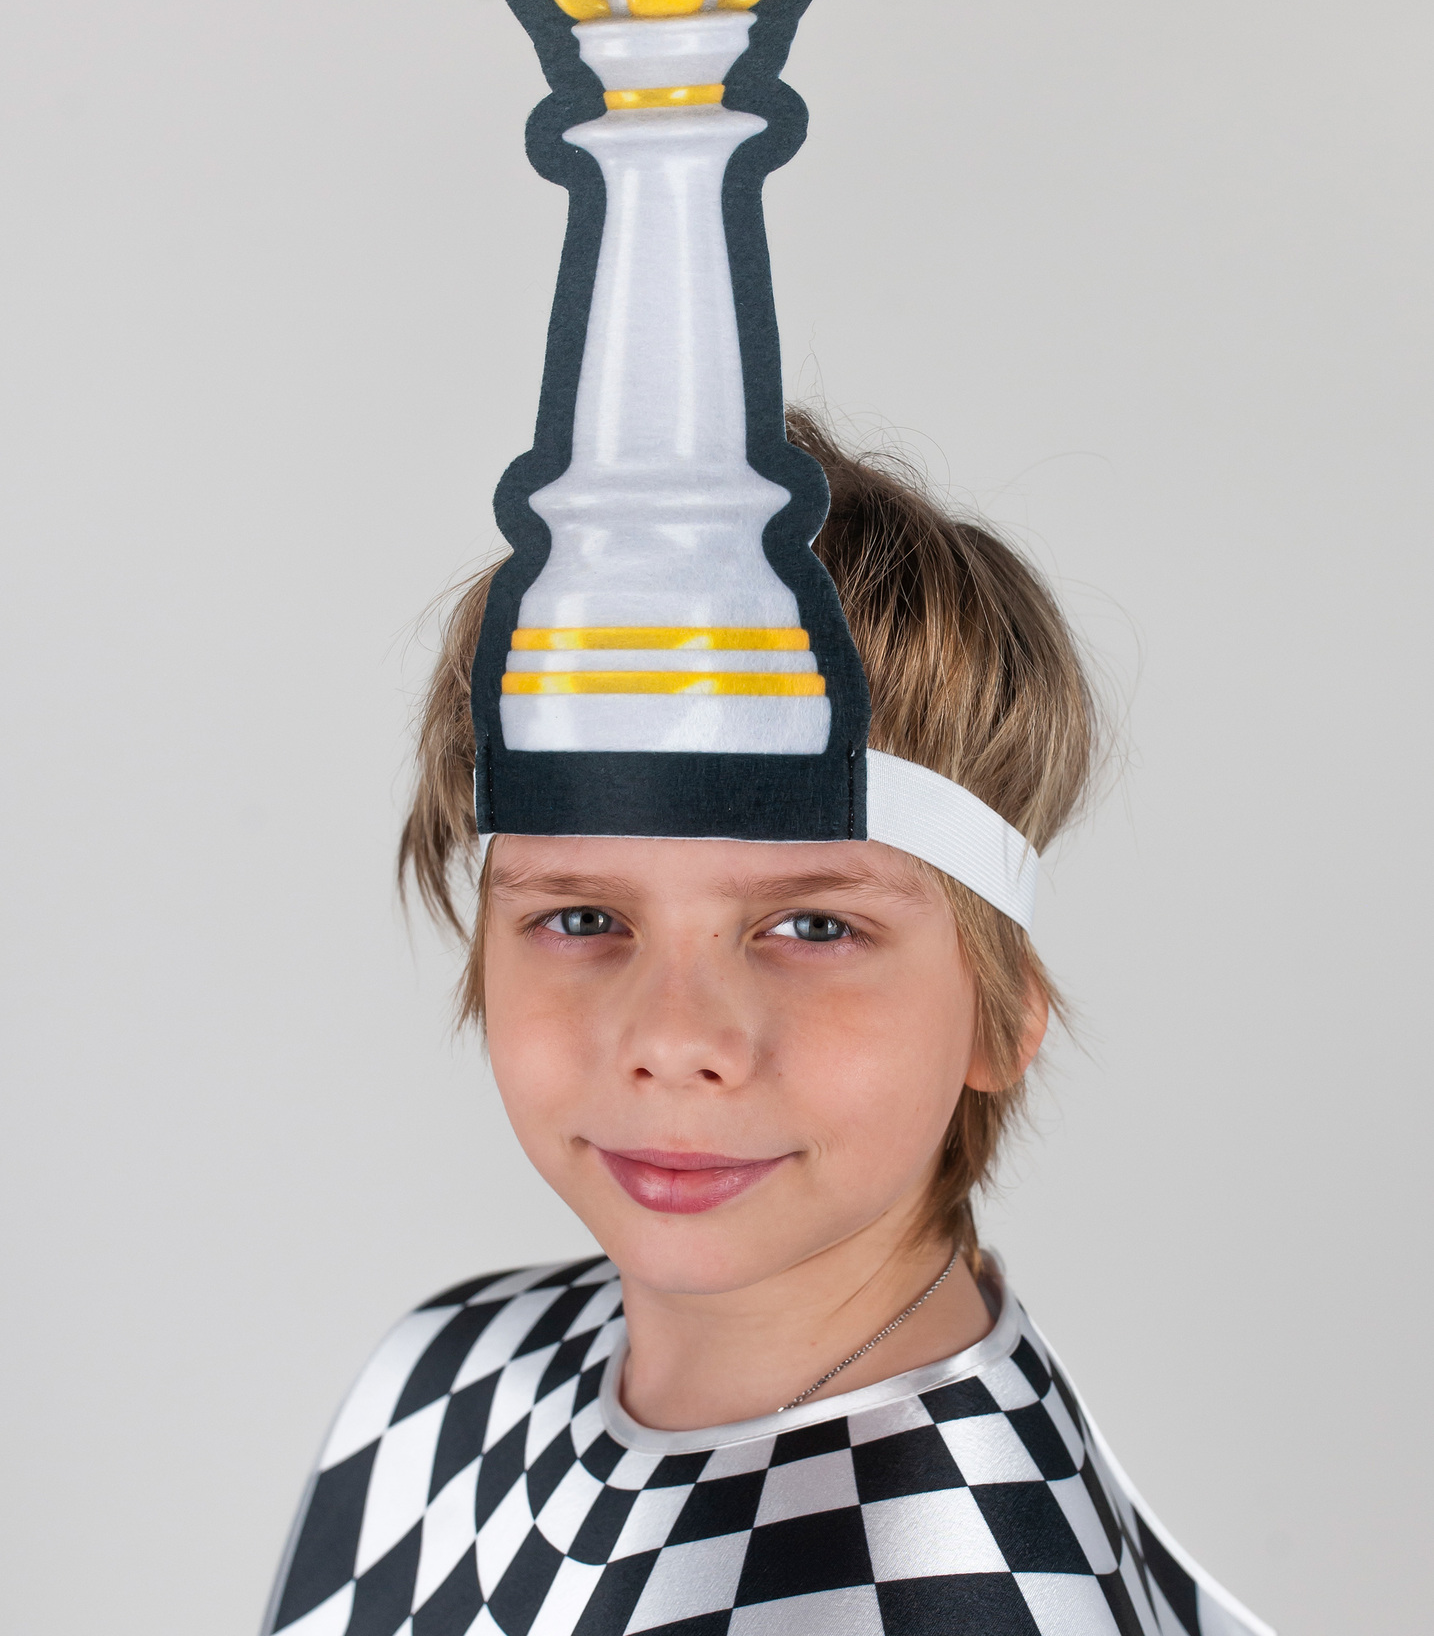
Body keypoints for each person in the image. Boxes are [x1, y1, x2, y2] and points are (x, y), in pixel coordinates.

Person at [260, 414, 1271, 1636]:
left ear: (1001, 1017)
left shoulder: (977, 1587)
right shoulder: (442, 1374)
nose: (676, 1035)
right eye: (583, 916)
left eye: (814, 925)